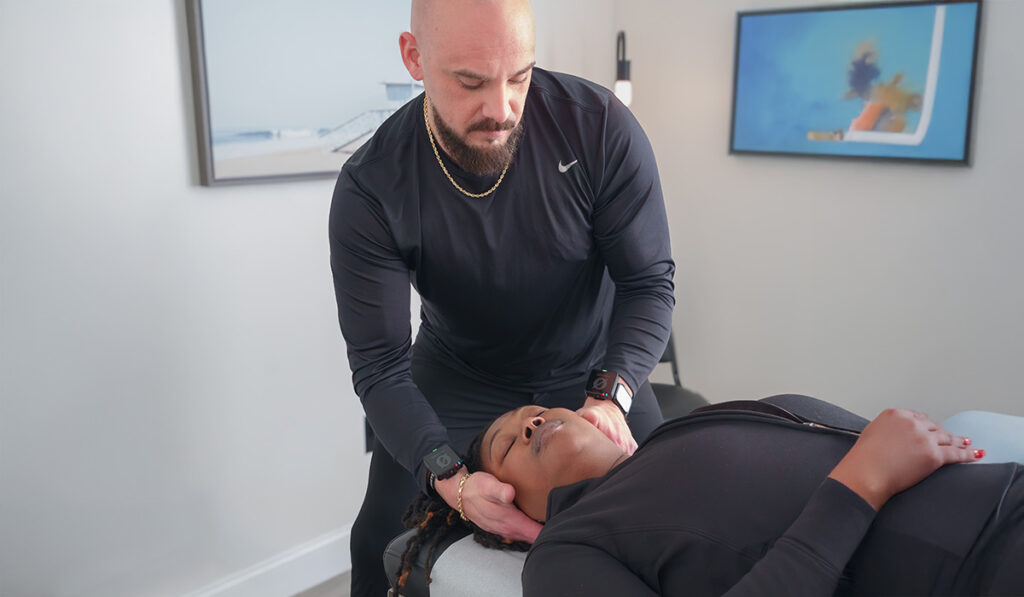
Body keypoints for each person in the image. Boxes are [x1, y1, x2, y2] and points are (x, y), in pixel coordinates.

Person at [328, 0, 674, 593]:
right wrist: (450, 478)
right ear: (414, 58)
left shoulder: (597, 126)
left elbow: (648, 283)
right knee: (377, 539)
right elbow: (380, 367)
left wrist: (613, 395)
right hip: (458, 372)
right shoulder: (372, 188)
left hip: (592, 367)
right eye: (470, 82)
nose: (501, 109)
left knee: (663, 522)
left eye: (519, 77)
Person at [396, 395, 1024, 596]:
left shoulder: (678, 431)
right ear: (507, 512)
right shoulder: (564, 553)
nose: (532, 421)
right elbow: (861, 472)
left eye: (536, 409)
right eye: (511, 441)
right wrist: (863, 482)